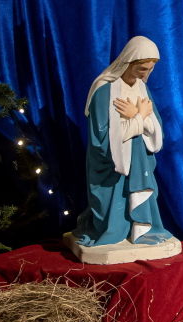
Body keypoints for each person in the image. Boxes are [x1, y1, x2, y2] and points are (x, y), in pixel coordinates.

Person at [73, 36, 176, 250]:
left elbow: (156, 131)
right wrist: (139, 117)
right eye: (142, 69)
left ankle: (140, 230)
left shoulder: (141, 88)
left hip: (139, 164)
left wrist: (138, 117)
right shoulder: (104, 91)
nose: (146, 74)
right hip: (112, 167)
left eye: (150, 69)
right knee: (114, 207)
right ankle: (115, 230)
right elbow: (103, 140)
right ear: (128, 62)